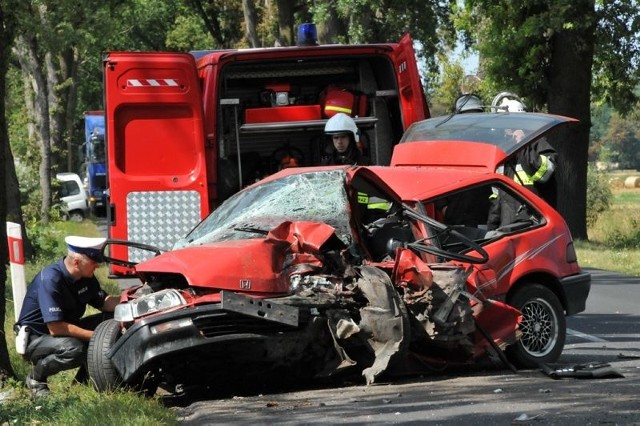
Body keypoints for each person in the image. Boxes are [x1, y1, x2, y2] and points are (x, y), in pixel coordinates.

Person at [15, 236, 119, 397]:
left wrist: (132, 300)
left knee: (113, 321)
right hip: (37, 338)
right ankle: (36, 378)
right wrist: (99, 337)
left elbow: (105, 303)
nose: (98, 265)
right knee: (76, 349)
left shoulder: (86, 277)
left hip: (66, 330)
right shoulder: (51, 279)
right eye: (93, 261)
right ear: (77, 262)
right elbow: (55, 328)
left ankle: (81, 385)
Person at [487, 96, 559, 230]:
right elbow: (497, 197)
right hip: (507, 229)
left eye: (507, 125)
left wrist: (523, 144)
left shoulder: (538, 145)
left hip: (535, 227)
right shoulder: (503, 152)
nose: (504, 130)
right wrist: (491, 229)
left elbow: (544, 173)